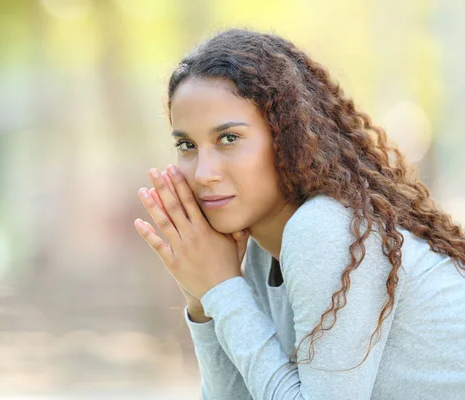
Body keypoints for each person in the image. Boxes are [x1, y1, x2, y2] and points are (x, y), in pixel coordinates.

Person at [133, 28, 465, 399]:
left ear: (287, 136)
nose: (204, 172)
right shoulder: (262, 249)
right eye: (187, 145)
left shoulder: (324, 228)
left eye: (229, 138)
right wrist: (204, 303)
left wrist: (221, 290)